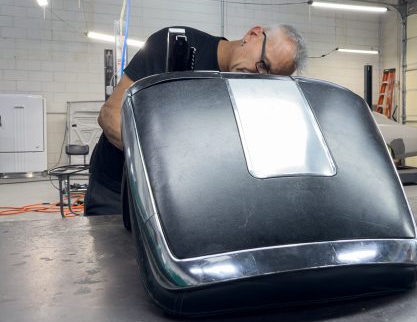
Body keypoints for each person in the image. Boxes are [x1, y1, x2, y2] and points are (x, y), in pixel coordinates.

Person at [84, 25, 307, 216]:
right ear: (253, 34)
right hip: (115, 192)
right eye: (263, 64)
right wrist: (164, 165)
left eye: (268, 78)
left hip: (176, 205)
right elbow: (110, 116)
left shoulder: (249, 92)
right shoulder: (172, 44)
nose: (257, 77)